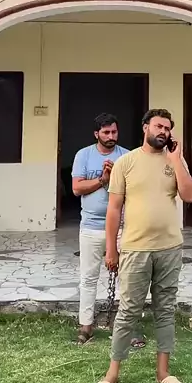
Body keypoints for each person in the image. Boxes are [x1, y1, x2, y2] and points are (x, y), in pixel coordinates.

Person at [91, 109, 192, 383]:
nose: (163, 131)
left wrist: (176, 161)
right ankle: (112, 374)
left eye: (168, 128)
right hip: (135, 249)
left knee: (165, 309)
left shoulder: (174, 161)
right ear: (145, 128)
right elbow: (114, 210)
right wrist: (111, 248)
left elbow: (190, 195)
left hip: (169, 248)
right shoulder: (126, 163)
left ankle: (163, 372)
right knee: (128, 311)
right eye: (158, 126)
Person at [72, 113, 144, 347]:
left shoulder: (128, 156)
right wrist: (103, 179)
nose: (111, 136)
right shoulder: (84, 155)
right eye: (106, 132)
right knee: (88, 278)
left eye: (114, 132)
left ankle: (126, 327)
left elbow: (136, 191)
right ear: (97, 134)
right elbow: (77, 188)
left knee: (127, 279)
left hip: (124, 227)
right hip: (91, 226)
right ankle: (86, 326)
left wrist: (116, 178)